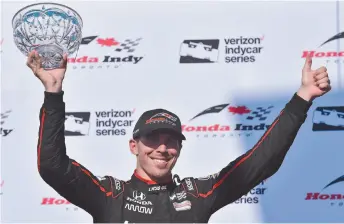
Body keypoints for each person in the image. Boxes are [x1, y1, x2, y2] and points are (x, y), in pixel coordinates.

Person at [27, 50, 331, 223]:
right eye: (152, 138)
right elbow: (52, 166)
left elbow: (260, 163)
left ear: (180, 148)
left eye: (171, 140)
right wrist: (53, 94)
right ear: (134, 146)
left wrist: (302, 98)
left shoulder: (197, 194)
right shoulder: (110, 195)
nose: (162, 147)